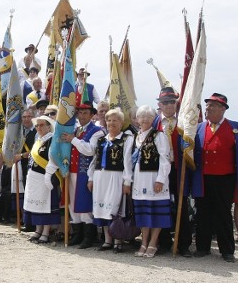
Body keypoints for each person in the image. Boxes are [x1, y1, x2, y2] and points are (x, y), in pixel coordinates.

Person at [192, 93, 238, 263]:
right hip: (204, 177)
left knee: (223, 213)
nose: (208, 109)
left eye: (212, 106)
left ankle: (227, 250)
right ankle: (202, 247)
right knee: (203, 212)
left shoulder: (235, 128)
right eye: (208, 106)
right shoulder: (200, 127)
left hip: (225, 178)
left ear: (223, 109)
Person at [152, 87, 193, 257]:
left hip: (178, 169)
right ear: (159, 105)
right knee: (161, 206)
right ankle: (162, 242)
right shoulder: (154, 123)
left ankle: (183, 244)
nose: (169, 105)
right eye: (165, 102)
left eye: (172, 102)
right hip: (160, 171)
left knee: (182, 206)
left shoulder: (184, 122)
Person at [87, 107, 133, 253]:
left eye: (115, 120)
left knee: (115, 208)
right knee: (101, 209)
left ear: (121, 122)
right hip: (100, 177)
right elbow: (94, 161)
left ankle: (118, 240)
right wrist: (91, 178)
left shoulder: (126, 139)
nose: (111, 123)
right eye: (109, 120)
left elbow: (127, 161)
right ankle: (107, 240)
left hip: (116, 176)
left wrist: (127, 181)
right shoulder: (101, 140)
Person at [59, 103, 105, 249]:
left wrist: (73, 140)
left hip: (85, 172)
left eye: (85, 113)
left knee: (85, 205)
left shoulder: (97, 131)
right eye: (80, 113)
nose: (82, 116)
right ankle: (77, 234)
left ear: (92, 115)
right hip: (71, 171)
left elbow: (90, 150)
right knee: (72, 203)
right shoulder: (75, 130)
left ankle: (88, 236)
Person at [131, 105, 171, 258]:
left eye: (148, 116)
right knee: (143, 213)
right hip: (140, 181)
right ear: (137, 119)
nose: (145, 119)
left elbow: (165, 159)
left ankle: (153, 243)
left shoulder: (159, 136)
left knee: (156, 213)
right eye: (142, 116)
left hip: (155, 180)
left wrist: (161, 179)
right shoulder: (137, 137)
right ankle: (144, 242)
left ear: (153, 119)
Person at [23, 115, 61, 244]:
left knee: (46, 205)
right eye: (37, 125)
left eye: (41, 125)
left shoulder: (52, 140)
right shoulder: (38, 140)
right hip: (34, 179)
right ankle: (38, 230)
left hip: (45, 176)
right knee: (36, 205)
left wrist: (49, 175)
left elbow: (54, 159)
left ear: (49, 126)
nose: (38, 127)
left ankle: (46, 231)